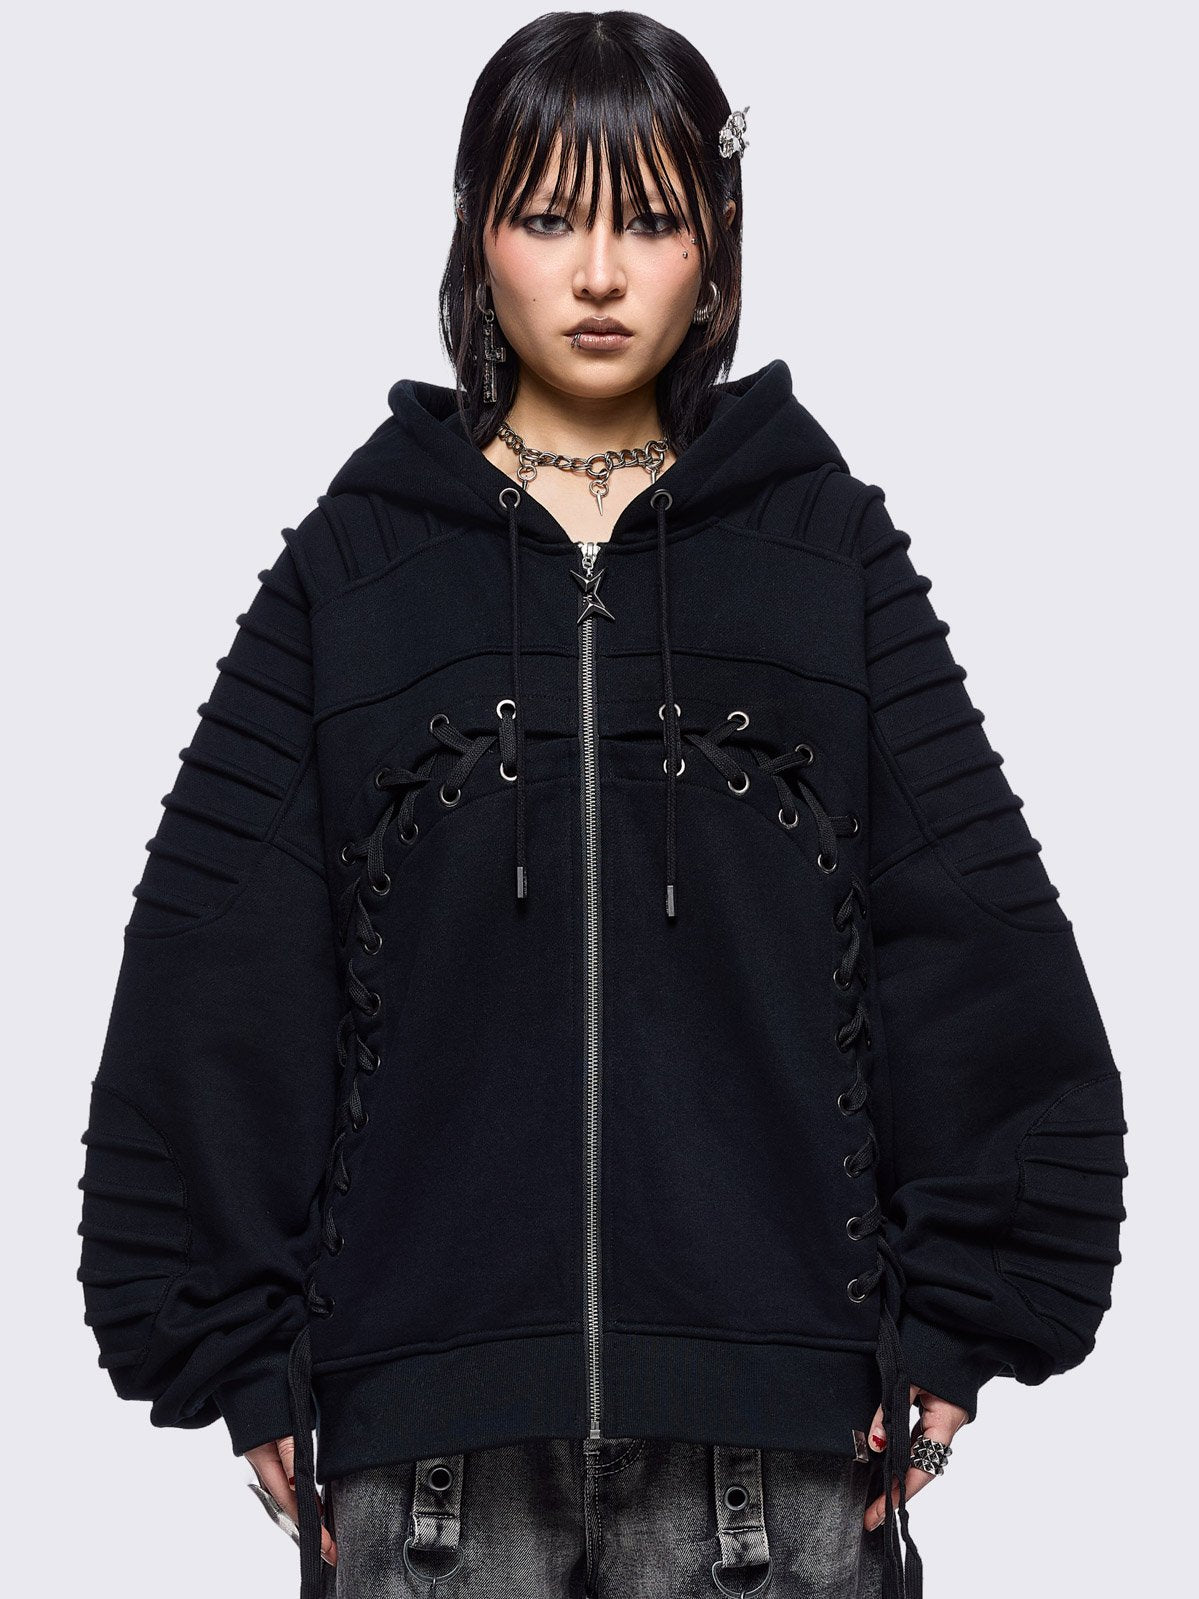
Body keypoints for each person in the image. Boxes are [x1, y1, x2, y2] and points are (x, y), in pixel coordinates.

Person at [76, 13, 1127, 1599]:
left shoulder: (822, 555)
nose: (597, 273)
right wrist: (233, 1346)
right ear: (475, 232)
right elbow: (217, 971)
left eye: (648, 219)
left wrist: (965, 1322)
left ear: (718, 237)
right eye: (548, 215)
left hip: (772, 1465)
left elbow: (978, 947)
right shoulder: (356, 572)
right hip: (431, 1464)